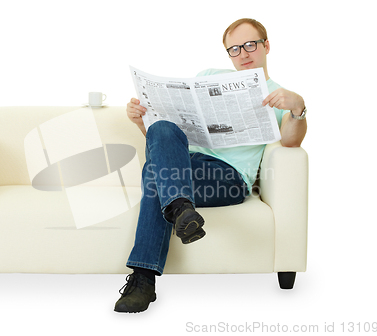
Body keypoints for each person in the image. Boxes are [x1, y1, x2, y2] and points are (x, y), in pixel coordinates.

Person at [114, 18, 307, 313]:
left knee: (153, 174)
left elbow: (292, 143)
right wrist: (143, 122)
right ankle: (181, 209)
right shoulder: (209, 76)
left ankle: (143, 280)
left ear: (266, 46)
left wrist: (298, 107)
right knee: (162, 129)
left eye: (250, 45)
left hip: (228, 178)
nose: (243, 53)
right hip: (185, 164)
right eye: (234, 49)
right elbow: (166, 145)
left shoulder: (278, 94)